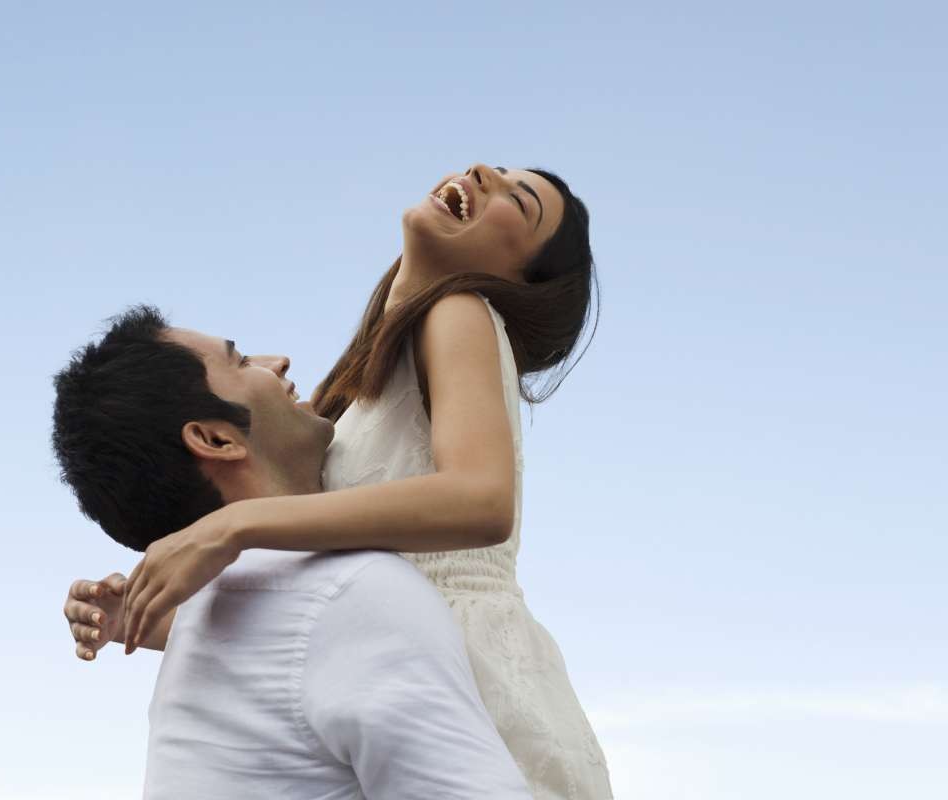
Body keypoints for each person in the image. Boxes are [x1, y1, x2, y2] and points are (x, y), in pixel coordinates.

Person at [65, 163, 614, 798]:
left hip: (469, 663)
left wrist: (230, 526)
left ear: (518, 280)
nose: (483, 170)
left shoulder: (459, 311)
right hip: (385, 668)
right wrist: (148, 618)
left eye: (520, 204)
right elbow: (306, 602)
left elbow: (483, 501)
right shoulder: (357, 381)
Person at [52, 306, 532, 799]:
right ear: (216, 439)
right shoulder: (350, 595)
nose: (278, 361)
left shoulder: (208, 623)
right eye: (240, 362)